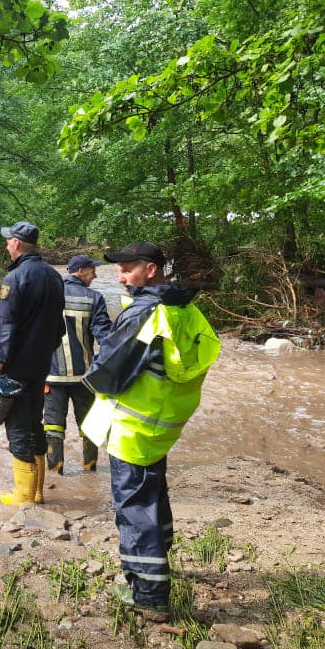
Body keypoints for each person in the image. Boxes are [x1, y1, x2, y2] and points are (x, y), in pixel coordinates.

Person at [81, 241, 220, 618]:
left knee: (134, 504)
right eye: (118, 272)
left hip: (132, 425)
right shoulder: (184, 307)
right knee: (152, 495)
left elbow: (106, 373)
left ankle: (149, 595)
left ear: (151, 269)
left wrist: (91, 377)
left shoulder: (144, 312)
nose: (121, 278)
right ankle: (158, 564)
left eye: (127, 270)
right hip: (162, 422)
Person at [0, 221, 65, 506]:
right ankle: (38, 491)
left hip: (17, 367)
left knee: (18, 428)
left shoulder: (15, 278)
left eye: (9, 241)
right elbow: (60, 328)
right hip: (42, 364)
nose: (7, 245)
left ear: (17, 244)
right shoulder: (55, 277)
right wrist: (43, 353)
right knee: (35, 423)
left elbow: (6, 326)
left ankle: (23, 496)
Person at [44, 254, 112, 474]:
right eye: (93, 270)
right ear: (81, 271)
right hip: (84, 375)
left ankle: (55, 470)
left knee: (53, 424)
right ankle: (90, 467)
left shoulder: (47, 295)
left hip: (52, 376)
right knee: (88, 423)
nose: (96, 275)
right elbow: (104, 336)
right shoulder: (94, 298)